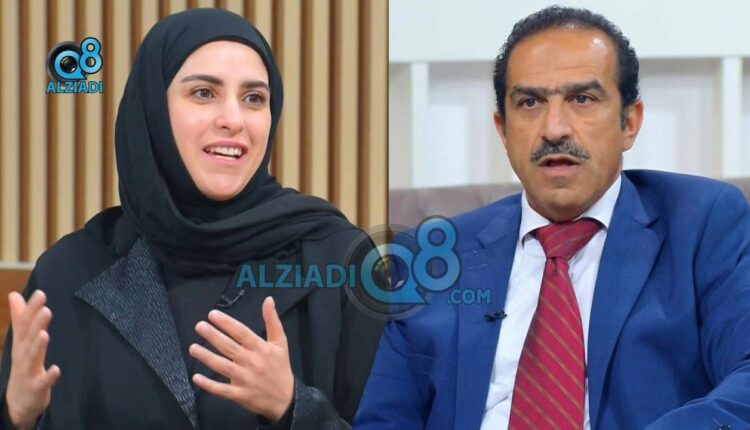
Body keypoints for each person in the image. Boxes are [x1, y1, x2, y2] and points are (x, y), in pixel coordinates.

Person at [355, 6, 750, 430]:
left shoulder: (702, 225)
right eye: (530, 103)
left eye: (582, 99)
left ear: (629, 123)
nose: (555, 128)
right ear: (503, 130)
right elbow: (384, 420)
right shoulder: (434, 259)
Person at [0, 8, 383, 430]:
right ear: (153, 109)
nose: (233, 120)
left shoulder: (338, 259)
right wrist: (17, 416)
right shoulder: (69, 271)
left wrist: (294, 408)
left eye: (254, 98)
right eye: (204, 93)